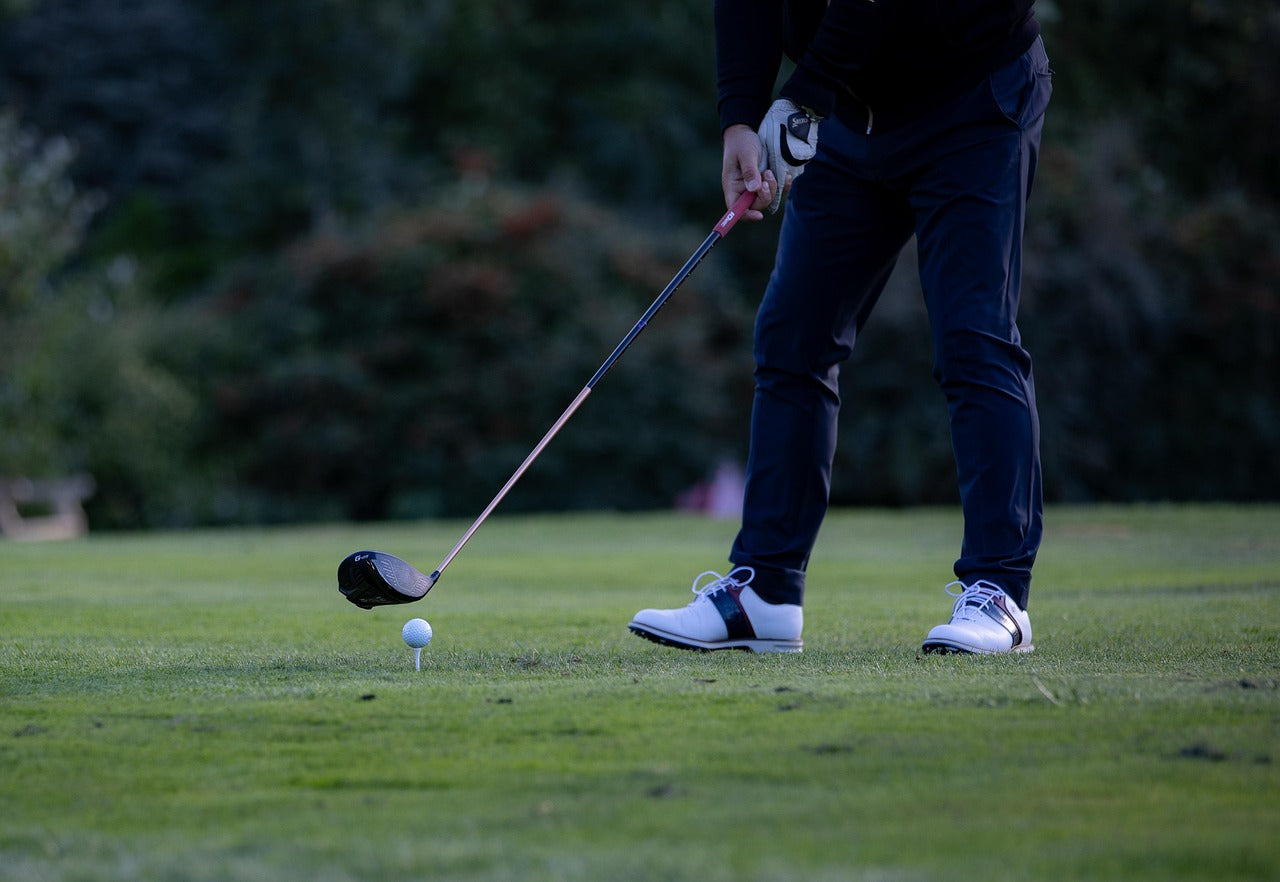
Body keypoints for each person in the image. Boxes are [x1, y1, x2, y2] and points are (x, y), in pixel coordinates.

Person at [628, 0, 1052, 655]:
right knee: (793, 336)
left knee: (975, 338)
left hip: (974, 97)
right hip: (850, 118)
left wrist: (803, 95)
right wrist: (740, 116)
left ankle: (999, 592)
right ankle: (765, 592)